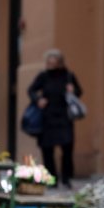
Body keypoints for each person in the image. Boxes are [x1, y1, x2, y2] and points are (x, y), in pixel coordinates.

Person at [27, 49, 82, 189]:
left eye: (53, 62)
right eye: (48, 62)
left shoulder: (68, 76)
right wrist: (38, 99)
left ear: (59, 63)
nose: (50, 65)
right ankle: (52, 179)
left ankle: (66, 178)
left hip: (64, 117)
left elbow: (79, 92)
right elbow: (31, 90)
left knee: (67, 149)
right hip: (47, 117)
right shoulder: (43, 76)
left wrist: (73, 91)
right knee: (47, 150)